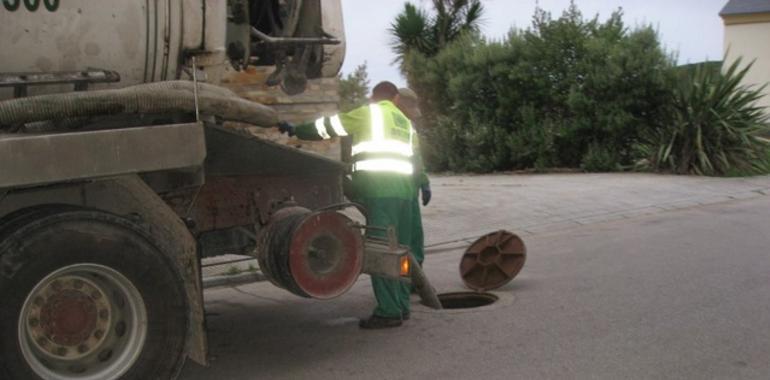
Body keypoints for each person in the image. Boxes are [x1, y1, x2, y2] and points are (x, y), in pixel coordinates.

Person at [277, 81, 416, 329]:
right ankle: (402, 306)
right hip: (405, 194)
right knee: (401, 250)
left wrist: (298, 130)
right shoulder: (405, 122)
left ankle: (389, 311)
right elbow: (415, 159)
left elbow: (329, 126)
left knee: (382, 249)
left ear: (374, 97)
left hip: (379, 190)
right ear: (395, 98)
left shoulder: (370, 112)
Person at [395, 88, 430, 269]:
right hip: (395, 190)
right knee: (402, 239)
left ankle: (414, 278)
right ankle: (405, 277)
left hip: (410, 188)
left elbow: (416, 158)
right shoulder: (386, 122)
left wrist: (423, 181)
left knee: (414, 236)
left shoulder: (409, 127)